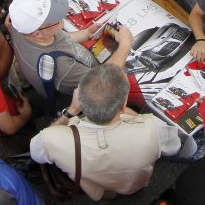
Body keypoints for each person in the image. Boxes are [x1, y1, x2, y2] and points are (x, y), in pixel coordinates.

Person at [30, 64, 192, 200]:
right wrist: (131, 114)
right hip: (133, 185)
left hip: (95, 189)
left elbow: (36, 153)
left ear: (80, 99)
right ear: (122, 105)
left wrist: (71, 111)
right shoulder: (153, 127)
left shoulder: (52, 138)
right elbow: (174, 147)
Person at [9, 0, 133, 111]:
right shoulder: (62, 67)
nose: (62, 15)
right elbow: (101, 83)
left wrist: (86, 34)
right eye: (56, 18)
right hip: (91, 86)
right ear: (37, 34)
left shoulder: (20, 26)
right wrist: (124, 47)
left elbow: (60, 40)